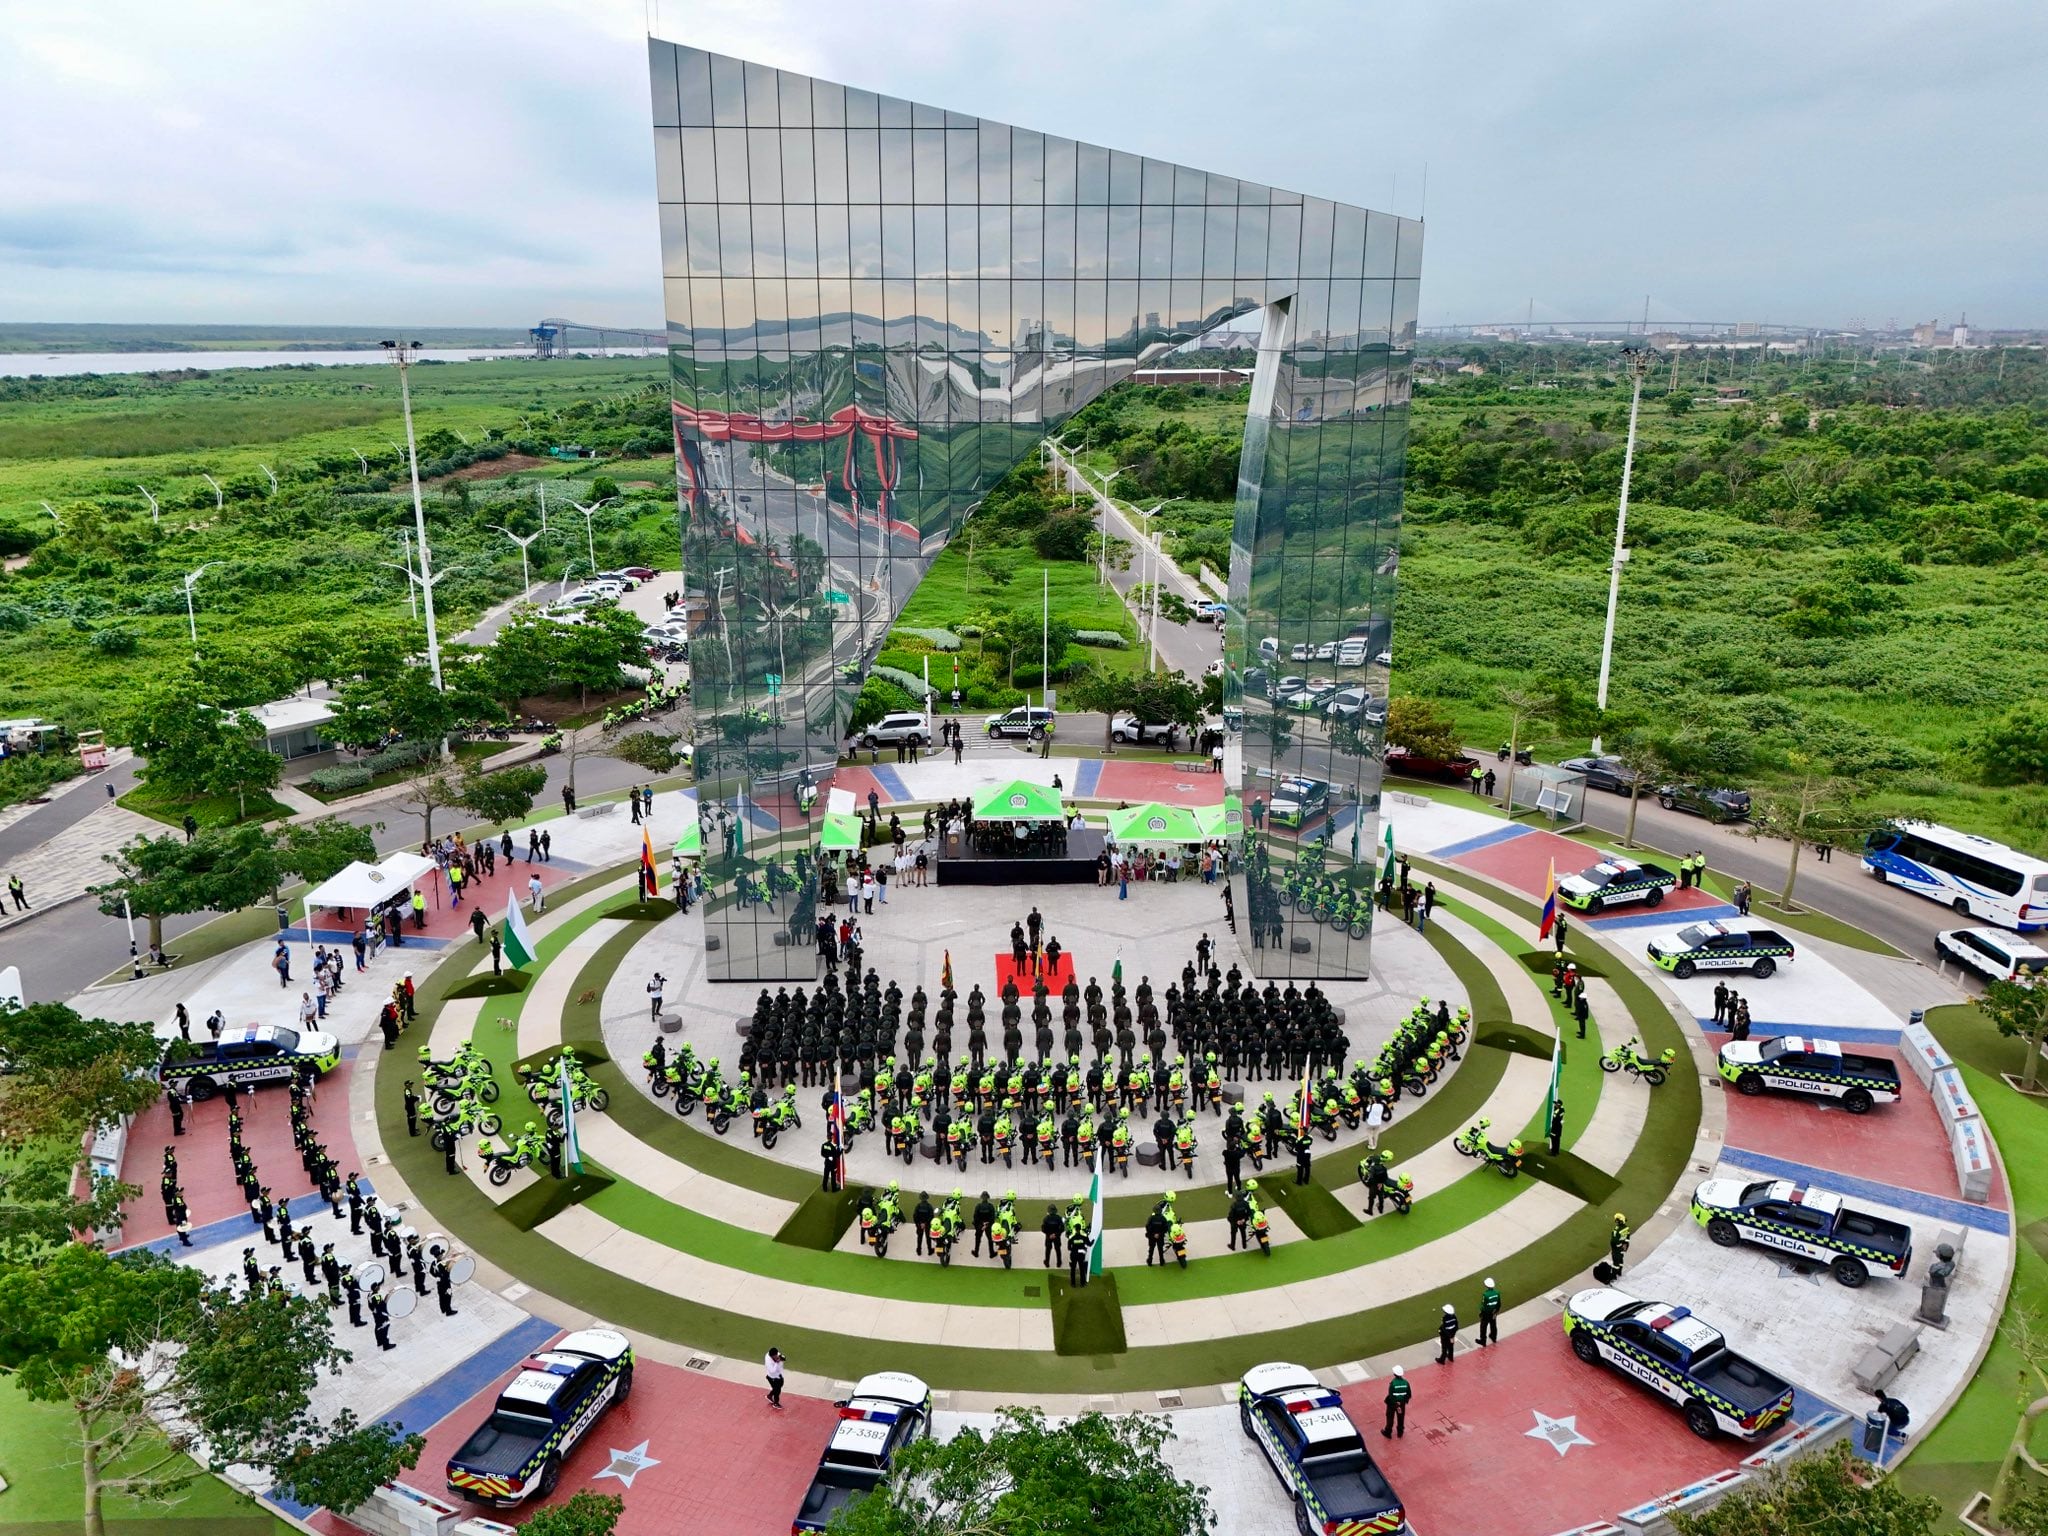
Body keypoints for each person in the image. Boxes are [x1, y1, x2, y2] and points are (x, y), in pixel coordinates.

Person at [1382, 1366, 1409, 1438]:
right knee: (1401, 1417)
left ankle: (1388, 1432)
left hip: (1392, 1404)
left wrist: (1396, 1404)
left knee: (1390, 1417)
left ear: (1394, 1374)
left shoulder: (1393, 1383)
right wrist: (1402, 1402)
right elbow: (1408, 1394)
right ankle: (1400, 1432)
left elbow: (1391, 1395)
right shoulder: (1406, 1383)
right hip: (1402, 1403)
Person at [1478, 1277, 1501, 1347]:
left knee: (1483, 1327)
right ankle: (1493, 1337)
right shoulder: (1497, 1293)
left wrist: (1481, 1312)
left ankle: (1483, 1341)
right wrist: (1496, 1312)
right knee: (1493, 1325)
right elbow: (1499, 1304)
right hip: (1493, 1312)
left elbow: (1484, 1306)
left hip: (1486, 1313)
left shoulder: (1485, 1295)